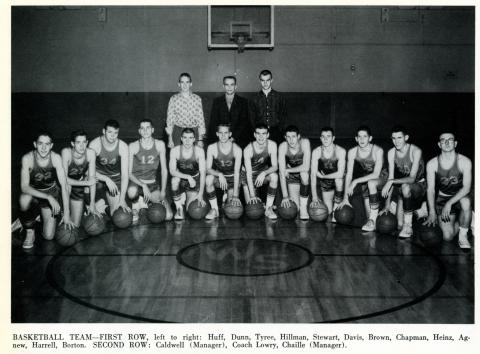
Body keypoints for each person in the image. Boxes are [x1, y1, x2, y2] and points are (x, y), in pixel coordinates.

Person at [18, 131, 73, 249]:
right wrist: (48, 197)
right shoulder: (27, 158)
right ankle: (29, 230)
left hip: (51, 192)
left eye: (47, 144)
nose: (43, 148)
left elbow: (64, 185)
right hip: (34, 193)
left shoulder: (56, 158)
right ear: (35, 144)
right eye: (40, 143)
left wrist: (67, 213)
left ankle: (38, 217)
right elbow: (24, 187)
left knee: (48, 236)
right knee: (24, 199)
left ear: (51, 145)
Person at [424, 132, 472, 249]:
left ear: (455, 144)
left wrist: (450, 203)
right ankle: (466, 221)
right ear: (439, 144)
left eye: (450, 140)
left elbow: (466, 188)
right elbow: (430, 190)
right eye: (443, 140)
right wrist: (432, 211)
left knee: (465, 202)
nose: (446, 142)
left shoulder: (464, 161)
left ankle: (463, 235)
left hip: (461, 196)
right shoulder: (432, 163)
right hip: (443, 198)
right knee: (447, 236)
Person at [380, 126, 427, 238]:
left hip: (419, 186)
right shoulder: (391, 152)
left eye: (399, 137)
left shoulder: (415, 151)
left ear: (406, 137)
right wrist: (386, 205)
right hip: (403, 187)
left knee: (405, 186)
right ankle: (420, 213)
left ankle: (408, 226)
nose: (396, 141)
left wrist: (391, 181)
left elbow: (412, 178)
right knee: (399, 225)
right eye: (393, 138)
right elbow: (390, 178)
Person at [339, 125, 387, 231]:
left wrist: (355, 181)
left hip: (382, 176)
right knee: (368, 217)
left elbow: (376, 174)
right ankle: (373, 219)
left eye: (365, 136)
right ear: (356, 138)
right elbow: (349, 175)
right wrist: (345, 198)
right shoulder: (352, 152)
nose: (362, 139)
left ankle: (387, 207)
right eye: (359, 137)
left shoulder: (377, 151)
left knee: (371, 183)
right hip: (367, 178)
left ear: (370, 138)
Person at [128, 119, 173, 223]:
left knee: (168, 216)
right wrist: (143, 185)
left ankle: (145, 202)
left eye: (148, 128)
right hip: (136, 183)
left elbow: (164, 171)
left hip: (152, 184)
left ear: (152, 130)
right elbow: (129, 173)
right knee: (131, 192)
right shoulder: (133, 146)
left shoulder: (160, 145)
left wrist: (163, 191)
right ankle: (135, 205)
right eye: (142, 128)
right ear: (139, 131)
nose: (145, 131)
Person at [89, 119, 130, 215]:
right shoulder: (95, 145)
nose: (113, 135)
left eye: (116, 133)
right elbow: (88, 170)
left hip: (115, 178)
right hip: (98, 177)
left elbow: (124, 175)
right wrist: (106, 179)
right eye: (110, 132)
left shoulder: (123, 146)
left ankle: (104, 207)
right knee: (87, 181)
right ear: (104, 131)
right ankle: (91, 203)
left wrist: (122, 199)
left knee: (116, 213)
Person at [205, 124, 243, 220]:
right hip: (220, 177)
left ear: (230, 134)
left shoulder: (237, 149)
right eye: (220, 133)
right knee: (208, 179)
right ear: (217, 134)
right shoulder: (212, 148)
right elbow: (207, 169)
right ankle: (215, 209)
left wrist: (235, 195)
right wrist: (219, 174)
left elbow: (237, 173)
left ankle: (227, 197)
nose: (223, 135)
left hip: (233, 178)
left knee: (232, 209)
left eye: (226, 133)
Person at [61, 130, 98, 227]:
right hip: (62, 187)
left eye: (84, 142)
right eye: (78, 142)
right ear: (72, 143)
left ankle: (85, 207)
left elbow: (92, 179)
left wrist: (92, 203)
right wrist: (87, 183)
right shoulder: (66, 153)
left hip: (77, 187)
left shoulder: (91, 153)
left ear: (87, 142)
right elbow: (64, 181)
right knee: (67, 186)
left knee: (75, 225)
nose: (82, 146)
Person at [242, 124, 279, 219]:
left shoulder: (272, 145)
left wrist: (264, 173)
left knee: (274, 176)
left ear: (268, 135)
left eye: (263, 134)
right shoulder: (248, 149)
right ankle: (260, 202)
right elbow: (248, 174)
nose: (261, 136)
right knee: (252, 210)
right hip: (248, 176)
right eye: (258, 134)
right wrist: (252, 195)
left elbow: (275, 166)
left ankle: (268, 208)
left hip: (262, 173)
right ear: (254, 135)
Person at [169, 128, 206, 220]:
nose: (187, 141)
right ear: (181, 138)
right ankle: (179, 208)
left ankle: (184, 197)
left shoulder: (199, 151)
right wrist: (188, 177)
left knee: (192, 211)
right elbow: (172, 171)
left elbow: (203, 173)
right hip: (181, 179)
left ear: (194, 139)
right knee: (174, 180)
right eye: (185, 138)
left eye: (190, 138)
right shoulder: (175, 151)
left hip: (195, 181)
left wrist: (201, 193)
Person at [310, 127, 346, 217]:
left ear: (333, 138)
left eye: (328, 136)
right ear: (320, 138)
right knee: (327, 211)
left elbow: (340, 174)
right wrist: (314, 196)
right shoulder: (316, 152)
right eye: (323, 136)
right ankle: (332, 210)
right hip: (326, 182)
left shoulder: (340, 151)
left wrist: (323, 177)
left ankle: (336, 208)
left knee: (339, 180)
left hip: (337, 180)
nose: (325, 139)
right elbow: (313, 175)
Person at [208, 75, 252, 149]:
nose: (229, 87)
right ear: (223, 86)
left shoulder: (243, 101)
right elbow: (213, 122)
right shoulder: (217, 101)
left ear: (235, 86)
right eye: (227, 85)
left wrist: (233, 137)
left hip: (238, 139)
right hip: (220, 138)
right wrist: (222, 138)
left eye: (232, 85)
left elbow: (243, 122)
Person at [278, 125, 311, 220]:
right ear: (285, 137)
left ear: (298, 136)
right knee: (295, 209)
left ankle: (304, 207)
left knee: (304, 173)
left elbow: (306, 167)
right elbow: (281, 173)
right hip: (291, 177)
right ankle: (300, 206)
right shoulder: (283, 147)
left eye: (293, 136)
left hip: (302, 175)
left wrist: (288, 170)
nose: (291, 140)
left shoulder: (305, 143)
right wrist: (285, 196)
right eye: (288, 137)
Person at [165, 73, 206, 148]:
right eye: (182, 82)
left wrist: (200, 140)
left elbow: (201, 119)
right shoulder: (173, 99)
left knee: (195, 156)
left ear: (191, 84)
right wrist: (170, 139)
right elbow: (170, 120)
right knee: (177, 156)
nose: (185, 85)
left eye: (187, 82)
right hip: (178, 131)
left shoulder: (197, 98)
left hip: (194, 131)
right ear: (179, 84)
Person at [249, 70, 287, 144]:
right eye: (263, 80)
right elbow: (251, 119)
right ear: (260, 81)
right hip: (260, 134)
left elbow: (283, 116)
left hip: (276, 133)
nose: (265, 83)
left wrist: (280, 131)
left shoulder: (279, 97)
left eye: (267, 80)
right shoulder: (254, 98)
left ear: (271, 80)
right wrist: (256, 133)